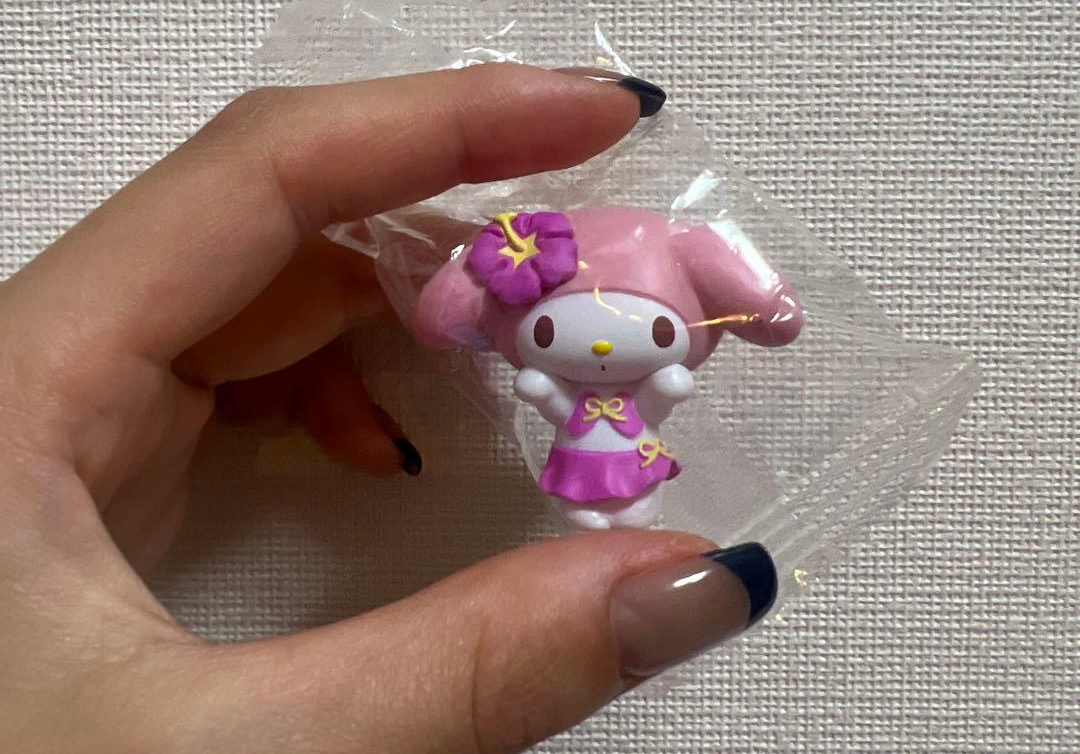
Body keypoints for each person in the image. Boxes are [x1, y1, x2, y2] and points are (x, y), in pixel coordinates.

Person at [0, 64, 777, 753]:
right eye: (547, 333)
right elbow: (544, 387)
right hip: (581, 448)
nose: (603, 349)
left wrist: (658, 388)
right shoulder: (547, 370)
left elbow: (658, 390)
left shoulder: (646, 370)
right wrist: (547, 387)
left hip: (629, 445)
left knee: (633, 495)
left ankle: (629, 518)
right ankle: (615, 524)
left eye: (656, 333)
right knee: (593, 498)